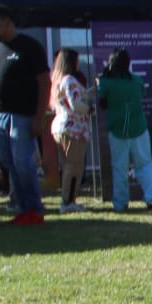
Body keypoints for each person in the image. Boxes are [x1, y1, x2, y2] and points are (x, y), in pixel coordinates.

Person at [0, 3, 49, 226]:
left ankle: (34, 209)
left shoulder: (30, 47)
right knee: (10, 165)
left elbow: (43, 82)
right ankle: (22, 208)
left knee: (24, 163)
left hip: (22, 116)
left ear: (8, 22)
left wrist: (39, 117)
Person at [97, 48, 152, 212]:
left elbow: (102, 102)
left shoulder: (106, 83)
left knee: (119, 167)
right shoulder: (136, 80)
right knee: (145, 164)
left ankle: (120, 203)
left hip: (118, 129)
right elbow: (141, 93)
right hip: (139, 127)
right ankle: (151, 198)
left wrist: (102, 82)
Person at [49, 48, 93, 214]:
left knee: (69, 165)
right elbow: (76, 104)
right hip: (73, 128)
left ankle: (69, 199)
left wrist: (91, 92)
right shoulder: (69, 80)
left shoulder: (58, 80)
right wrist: (89, 109)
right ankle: (68, 201)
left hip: (61, 126)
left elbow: (78, 96)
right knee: (74, 166)